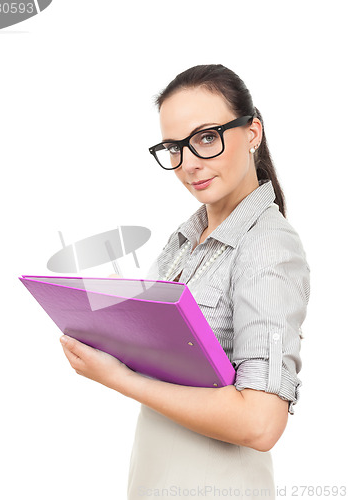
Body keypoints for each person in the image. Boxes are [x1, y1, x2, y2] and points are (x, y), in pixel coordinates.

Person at [59, 64, 311, 500]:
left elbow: (261, 423)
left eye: (206, 138)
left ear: (253, 132)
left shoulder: (269, 246)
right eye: (175, 147)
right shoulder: (186, 238)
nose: (188, 164)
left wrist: (116, 377)